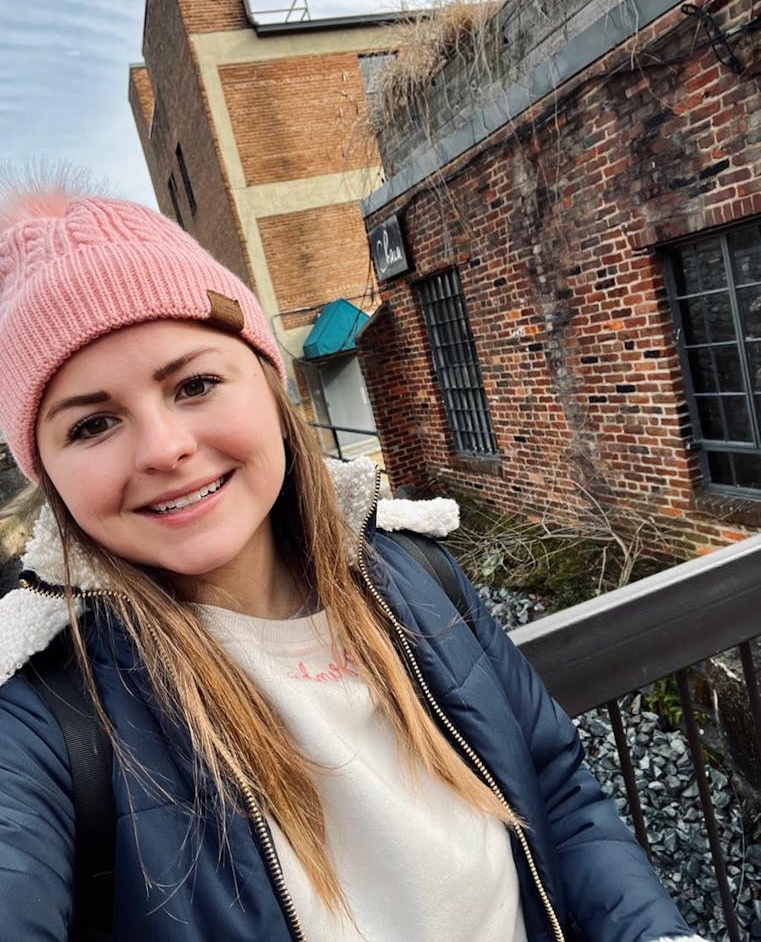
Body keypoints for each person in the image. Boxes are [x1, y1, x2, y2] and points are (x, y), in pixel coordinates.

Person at [0, 181, 706, 942]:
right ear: (47, 473)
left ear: (270, 389)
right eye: (94, 423)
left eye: (195, 384)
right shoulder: (43, 712)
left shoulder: (414, 572)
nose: (165, 447)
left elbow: (559, 793)